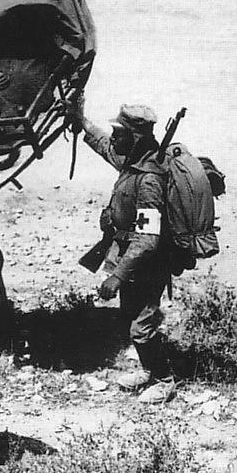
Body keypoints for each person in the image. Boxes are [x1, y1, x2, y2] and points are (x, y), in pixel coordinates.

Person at [73, 104, 175, 404]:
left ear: (136, 137)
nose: (114, 138)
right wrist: (81, 121)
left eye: (119, 133)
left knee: (142, 326)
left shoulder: (149, 179)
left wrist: (117, 276)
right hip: (132, 259)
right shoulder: (133, 161)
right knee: (131, 316)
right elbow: (105, 146)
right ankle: (149, 370)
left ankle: (164, 380)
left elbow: (148, 239)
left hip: (148, 264)